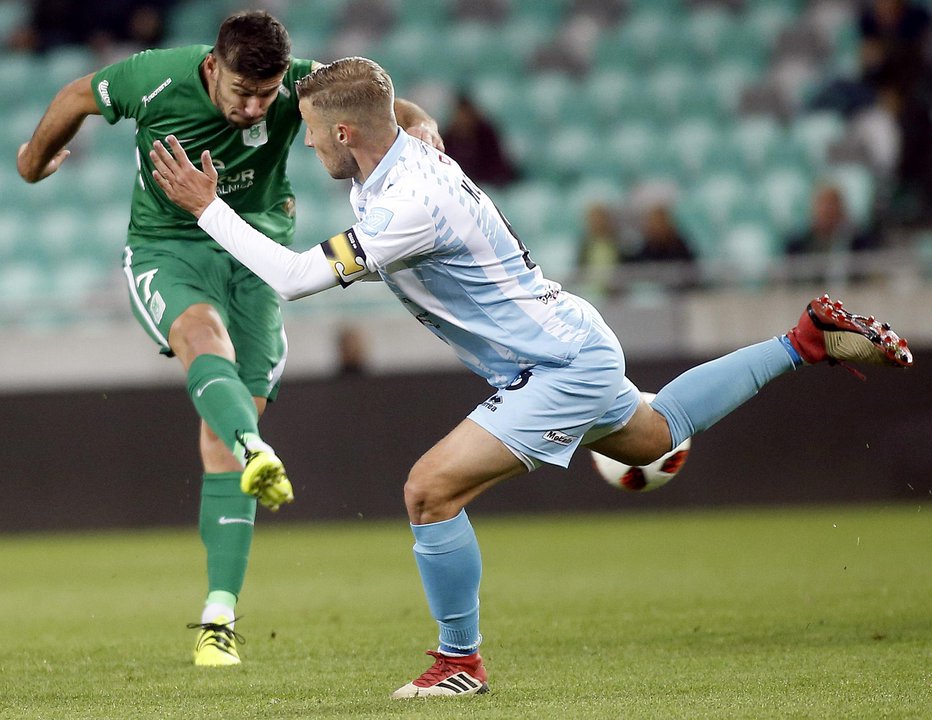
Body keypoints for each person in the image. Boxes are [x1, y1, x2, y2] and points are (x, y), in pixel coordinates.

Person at [149, 57, 914, 698]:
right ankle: (804, 340)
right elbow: (403, 117)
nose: (311, 150)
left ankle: (459, 663)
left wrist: (210, 209)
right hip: (571, 338)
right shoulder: (408, 152)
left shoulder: (408, 205)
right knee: (654, 435)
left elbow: (287, 277)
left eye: (315, 138)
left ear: (345, 134)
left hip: (556, 363)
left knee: (427, 490)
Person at [16, 12, 442, 667]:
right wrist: (32, 161)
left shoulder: (303, 85)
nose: (251, 107)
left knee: (222, 445)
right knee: (199, 335)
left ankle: (219, 616)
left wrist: (420, 122)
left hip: (255, 257)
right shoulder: (155, 78)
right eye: (240, 92)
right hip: (169, 249)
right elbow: (79, 94)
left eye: (264, 97)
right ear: (212, 68)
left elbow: (380, 103)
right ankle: (253, 445)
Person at [441, 93, 518, 187]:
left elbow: (496, 164)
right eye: (460, 114)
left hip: (490, 184)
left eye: (466, 114)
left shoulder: (486, 135)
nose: (463, 119)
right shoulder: (447, 139)